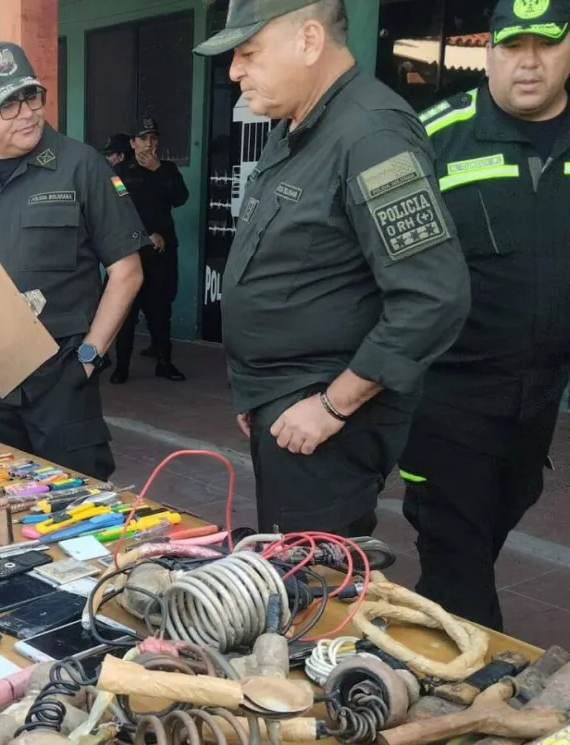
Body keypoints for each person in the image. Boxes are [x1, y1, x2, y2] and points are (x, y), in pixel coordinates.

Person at [193, 0, 471, 535]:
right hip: (284, 400)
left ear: (309, 40)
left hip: (324, 413)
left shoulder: (371, 136)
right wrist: (257, 388)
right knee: (292, 562)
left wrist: (330, 406)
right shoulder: (296, 125)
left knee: (319, 583)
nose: (234, 71)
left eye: (248, 52)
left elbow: (433, 297)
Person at [398, 0, 570, 632]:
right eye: (512, 46)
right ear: (489, 51)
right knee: (457, 557)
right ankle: (475, 694)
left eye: (546, 45)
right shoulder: (434, 135)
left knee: (497, 519)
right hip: (449, 399)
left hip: (539, 396)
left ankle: (431, 634)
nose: (529, 62)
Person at [0, 41, 146, 481]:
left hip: (62, 379)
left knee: (75, 504)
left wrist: (90, 355)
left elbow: (127, 272)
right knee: (0, 501)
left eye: (30, 96)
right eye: (7, 104)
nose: (26, 112)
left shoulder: (82, 166)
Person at [110, 117, 190, 384]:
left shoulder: (166, 168)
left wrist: (158, 170)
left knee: (160, 310)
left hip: (161, 254)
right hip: (132, 253)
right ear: (132, 143)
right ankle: (121, 366)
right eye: (143, 138)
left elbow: (180, 198)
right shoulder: (119, 171)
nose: (149, 144)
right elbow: (117, 211)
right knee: (126, 312)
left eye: (154, 138)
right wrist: (144, 235)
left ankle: (164, 362)